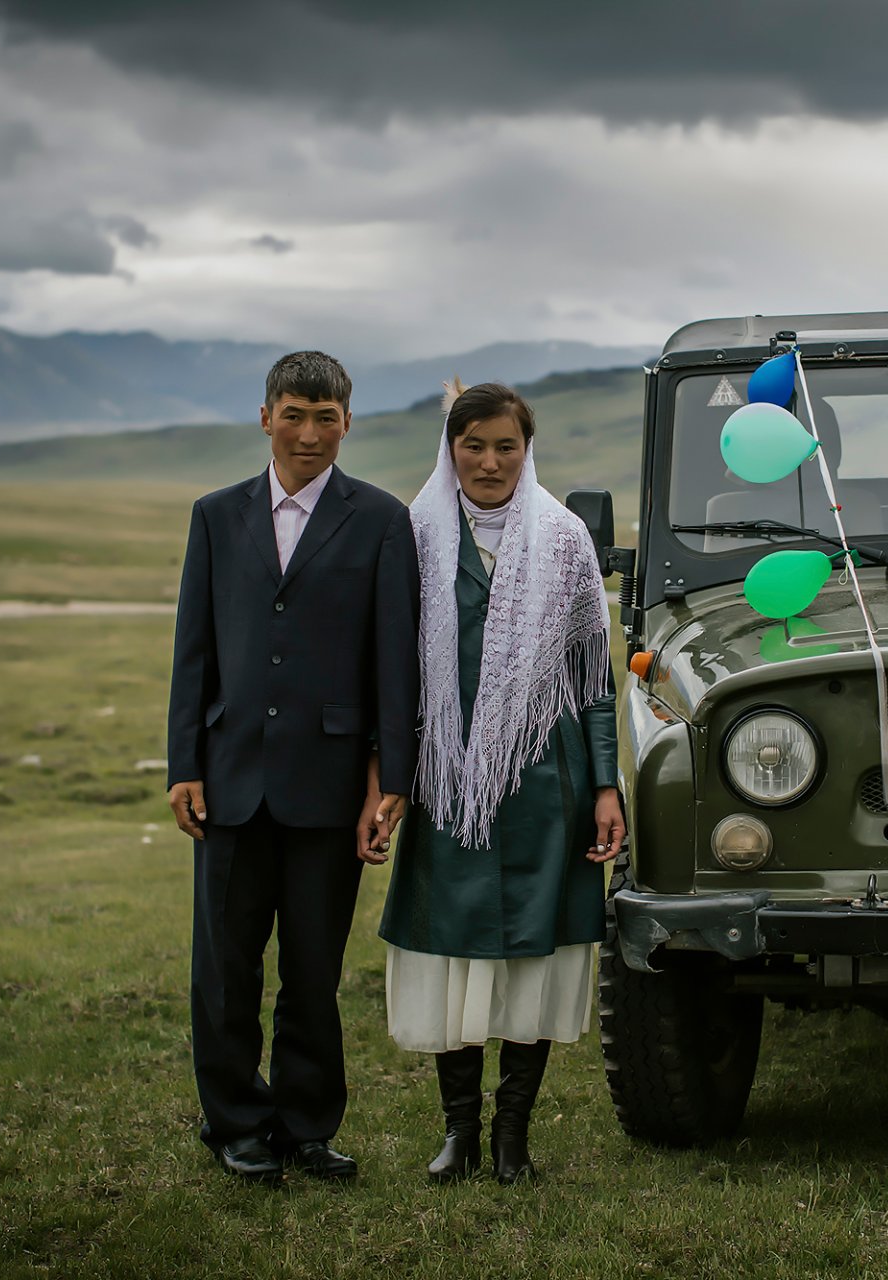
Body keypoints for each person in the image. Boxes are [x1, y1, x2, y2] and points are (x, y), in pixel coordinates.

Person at [165, 351, 418, 1183]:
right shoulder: (214, 515)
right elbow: (193, 651)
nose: (309, 434)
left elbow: (395, 663)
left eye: (326, 417)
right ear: (265, 416)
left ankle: (308, 1126)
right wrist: (184, 764)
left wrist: (389, 780)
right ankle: (235, 1122)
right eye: (294, 414)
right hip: (230, 777)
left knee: (314, 970)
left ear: (349, 422)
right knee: (226, 970)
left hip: (331, 785)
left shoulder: (381, 520)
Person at [371, 379, 623, 1185]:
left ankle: (513, 1136)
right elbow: (391, 672)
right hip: (448, 784)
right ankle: (459, 1135)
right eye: (473, 444)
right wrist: (390, 776)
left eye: (505, 445)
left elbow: (593, 678)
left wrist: (607, 785)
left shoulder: (564, 539)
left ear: (528, 448)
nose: (489, 461)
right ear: (449, 448)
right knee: (455, 948)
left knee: (533, 960)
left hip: (547, 779)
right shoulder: (413, 536)